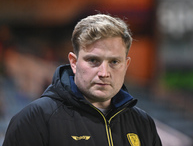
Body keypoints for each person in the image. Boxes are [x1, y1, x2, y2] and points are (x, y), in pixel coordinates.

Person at [3, 14, 162, 146]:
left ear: (126, 65)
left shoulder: (142, 123)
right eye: (93, 60)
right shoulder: (34, 119)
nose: (104, 73)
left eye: (114, 62)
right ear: (73, 62)